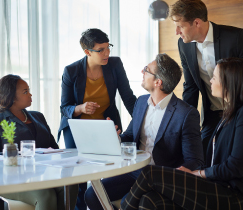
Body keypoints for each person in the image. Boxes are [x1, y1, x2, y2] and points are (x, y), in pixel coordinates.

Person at [120, 57, 243, 210]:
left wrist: (197, 173)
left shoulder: (241, 115)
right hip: (214, 184)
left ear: (229, 82)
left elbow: (235, 166)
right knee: (148, 200)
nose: (210, 81)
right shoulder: (227, 114)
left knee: (149, 173)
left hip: (231, 194)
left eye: (214, 77)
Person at [85, 53, 204, 210]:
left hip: (159, 177)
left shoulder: (186, 113)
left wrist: (173, 175)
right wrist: (115, 137)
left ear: (158, 82)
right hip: (133, 171)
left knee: (128, 202)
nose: (142, 72)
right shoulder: (141, 102)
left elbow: (195, 160)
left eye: (146, 70)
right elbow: (129, 136)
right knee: (92, 194)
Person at [58, 28, 137, 210]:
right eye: (100, 50)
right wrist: (81, 108)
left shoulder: (114, 65)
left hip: (105, 125)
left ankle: (100, 202)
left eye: (108, 47)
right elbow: (64, 107)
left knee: (110, 171)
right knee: (78, 177)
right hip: (78, 128)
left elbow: (128, 97)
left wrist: (142, 120)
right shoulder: (71, 71)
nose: (107, 53)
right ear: (87, 52)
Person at [0, 74, 78, 210]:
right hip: (10, 181)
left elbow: (54, 149)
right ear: (11, 97)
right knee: (46, 194)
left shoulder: (38, 116)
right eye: (25, 92)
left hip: (43, 175)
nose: (30, 94)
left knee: (70, 184)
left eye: (29, 90)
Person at [169, 0, 243, 160]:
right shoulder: (184, 45)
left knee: (229, 158)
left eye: (180, 26)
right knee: (201, 155)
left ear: (196, 23)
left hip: (239, 112)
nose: (177, 32)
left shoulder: (236, 38)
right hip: (211, 113)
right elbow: (190, 87)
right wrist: (185, 121)